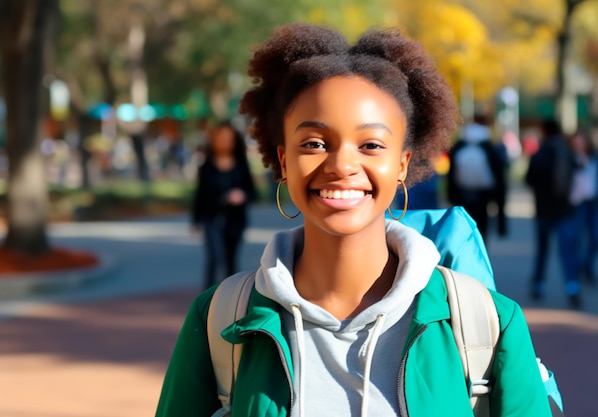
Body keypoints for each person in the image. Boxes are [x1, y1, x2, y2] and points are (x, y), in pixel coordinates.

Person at [157, 24, 551, 416]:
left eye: (370, 145)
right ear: (283, 161)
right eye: (314, 143)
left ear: (402, 164)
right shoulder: (219, 319)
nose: (342, 164)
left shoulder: (489, 322)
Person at [191, 121, 257, 289]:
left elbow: (252, 192)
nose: (224, 142)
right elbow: (200, 194)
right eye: (221, 138)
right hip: (211, 217)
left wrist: (242, 196)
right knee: (214, 256)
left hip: (235, 219)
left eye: (228, 138)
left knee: (230, 260)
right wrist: (196, 220)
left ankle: (230, 299)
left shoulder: (241, 165)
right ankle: (207, 299)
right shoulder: (207, 166)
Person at [525, 118, 579, 308]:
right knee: (567, 253)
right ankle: (573, 288)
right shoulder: (568, 153)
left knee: (543, 251)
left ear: (544, 131)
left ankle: (538, 286)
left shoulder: (539, 154)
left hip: (543, 211)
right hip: (566, 210)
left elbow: (529, 180)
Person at [446, 114, 508, 243]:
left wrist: (450, 196)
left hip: (461, 195)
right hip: (483, 196)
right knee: (481, 232)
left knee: (463, 231)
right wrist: (501, 217)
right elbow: (500, 177)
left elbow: (451, 174)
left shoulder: (460, 145)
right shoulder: (489, 146)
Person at [560, 129, 598, 288]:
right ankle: (574, 277)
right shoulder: (568, 158)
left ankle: (587, 264)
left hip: (593, 204)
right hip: (575, 206)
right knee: (574, 241)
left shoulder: (597, 158)